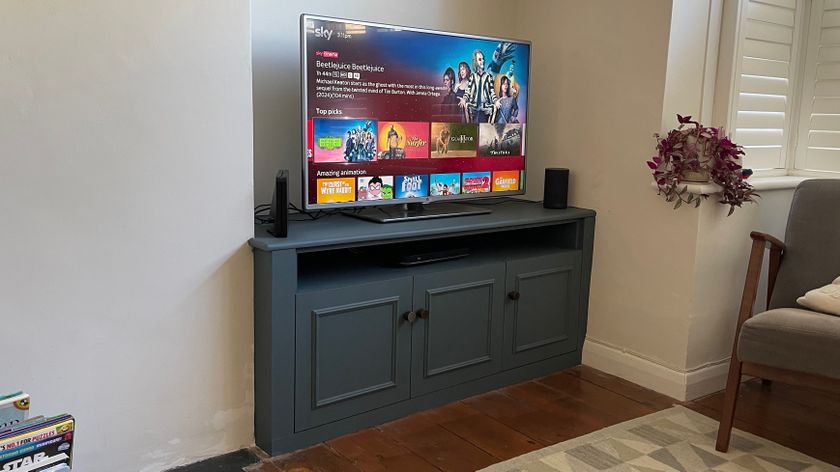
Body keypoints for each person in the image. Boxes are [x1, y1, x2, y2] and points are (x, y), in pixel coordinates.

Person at [464, 50, 497, 123]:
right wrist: (464, 99)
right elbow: (468, 92)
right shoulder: (472, 76)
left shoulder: (488, 76)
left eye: (483, 59)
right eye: (480, 59)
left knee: (494, 108)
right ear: (475, 62)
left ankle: (489, 128)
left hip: (485, 105)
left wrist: (496, 101)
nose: (483, 61)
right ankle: (469, 127)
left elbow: (492, 92)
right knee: (466, 105)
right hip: (474, 105)